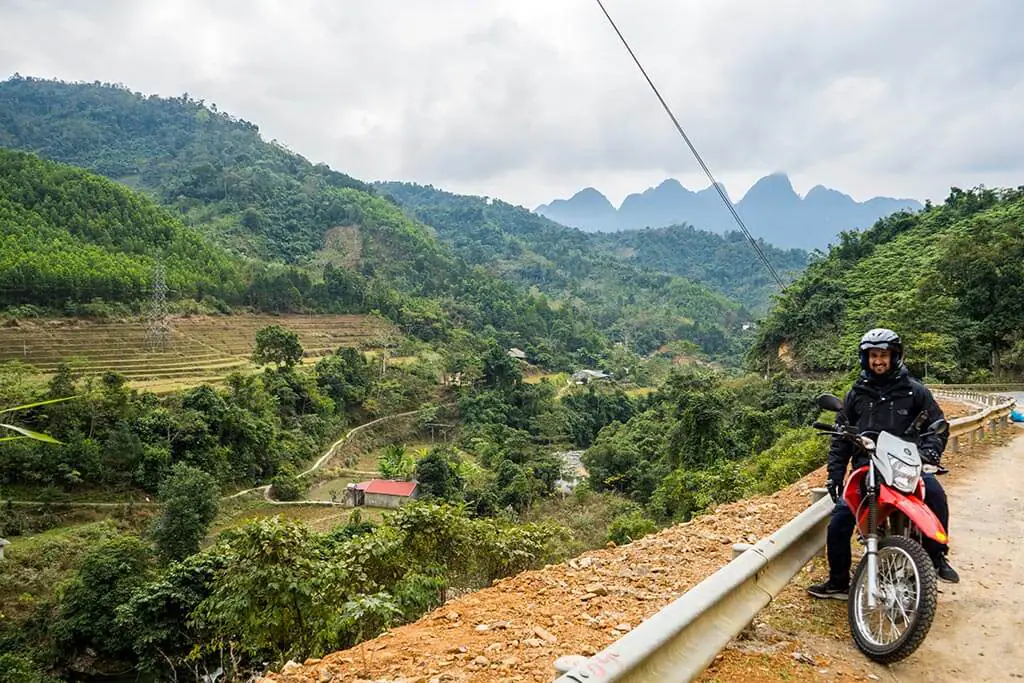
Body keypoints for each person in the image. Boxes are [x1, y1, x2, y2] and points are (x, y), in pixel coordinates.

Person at [807, 328, 960, 600]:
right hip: (868, 467)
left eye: (884, 355)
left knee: (935, 494)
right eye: (873, 355)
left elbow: (938, 425)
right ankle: (838, 581)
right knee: (841, 517)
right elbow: (842, 437)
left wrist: (930, 455)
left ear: (895, 357)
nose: (878, 361)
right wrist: (834, 475)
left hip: (907, 465)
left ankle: (937, 557)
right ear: (865, 358)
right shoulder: (856, 394)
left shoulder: (915, 391)